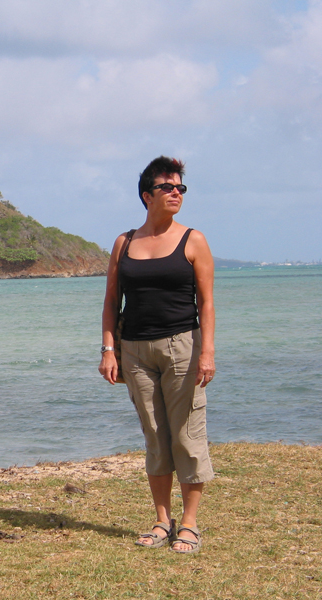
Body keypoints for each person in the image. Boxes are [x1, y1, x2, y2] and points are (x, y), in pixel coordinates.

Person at [98, 156, 215, 554]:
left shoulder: (193, 240)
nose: (176, 193)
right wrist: (109, 350)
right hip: (134, 350)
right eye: (167, 187)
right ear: (147, 195)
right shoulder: (125, 242)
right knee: (154, 435)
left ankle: (190, 524)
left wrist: (207, 352)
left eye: (180, 187)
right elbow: (111, 301)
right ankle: (163, 520)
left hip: (183, 346)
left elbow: (207, 303)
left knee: (187, 434)